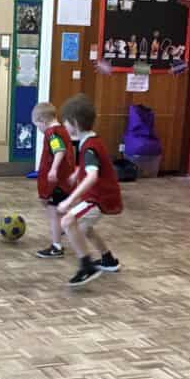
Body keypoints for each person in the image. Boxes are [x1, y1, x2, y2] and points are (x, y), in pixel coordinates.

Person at [57, 94, 122, 288]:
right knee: (84, 228)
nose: (64, 127)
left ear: (75, 123)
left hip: (98, 198)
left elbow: (93, 176)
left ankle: (86, 266)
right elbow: (92, 166)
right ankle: (108, 259)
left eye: (65, 123)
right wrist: (77, 172)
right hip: (103, 195)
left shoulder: (89, 147)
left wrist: (69, 200)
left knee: (67, 221)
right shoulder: (92, 141)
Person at [32, 101, 76, 258]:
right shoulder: (63, 130)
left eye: (37, 126)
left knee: (54, 213)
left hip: (57, 183)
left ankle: (56, 247)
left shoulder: (52, 133)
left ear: (43, 121)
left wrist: (53, 169)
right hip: (64, 181)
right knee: (57, 211)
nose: (39, 129)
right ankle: (63, 228)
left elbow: (59, 150)